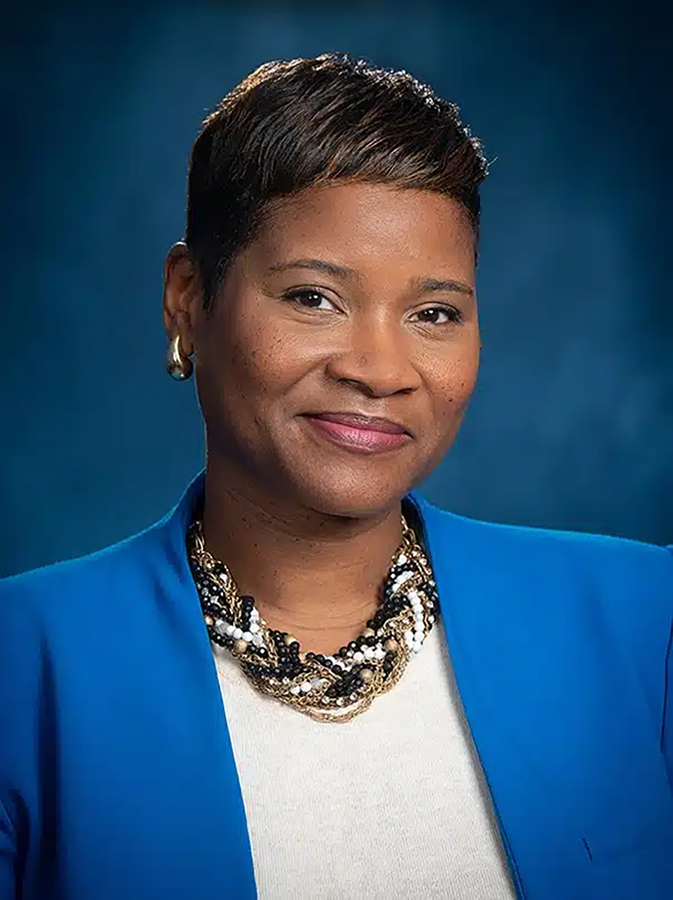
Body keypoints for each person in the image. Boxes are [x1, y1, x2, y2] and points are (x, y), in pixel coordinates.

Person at [1, 50, 671, 900]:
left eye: (434, 313)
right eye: (314, 298)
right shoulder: (23, 663)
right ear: (186, 299)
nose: (379, 368)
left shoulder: (646, 623)